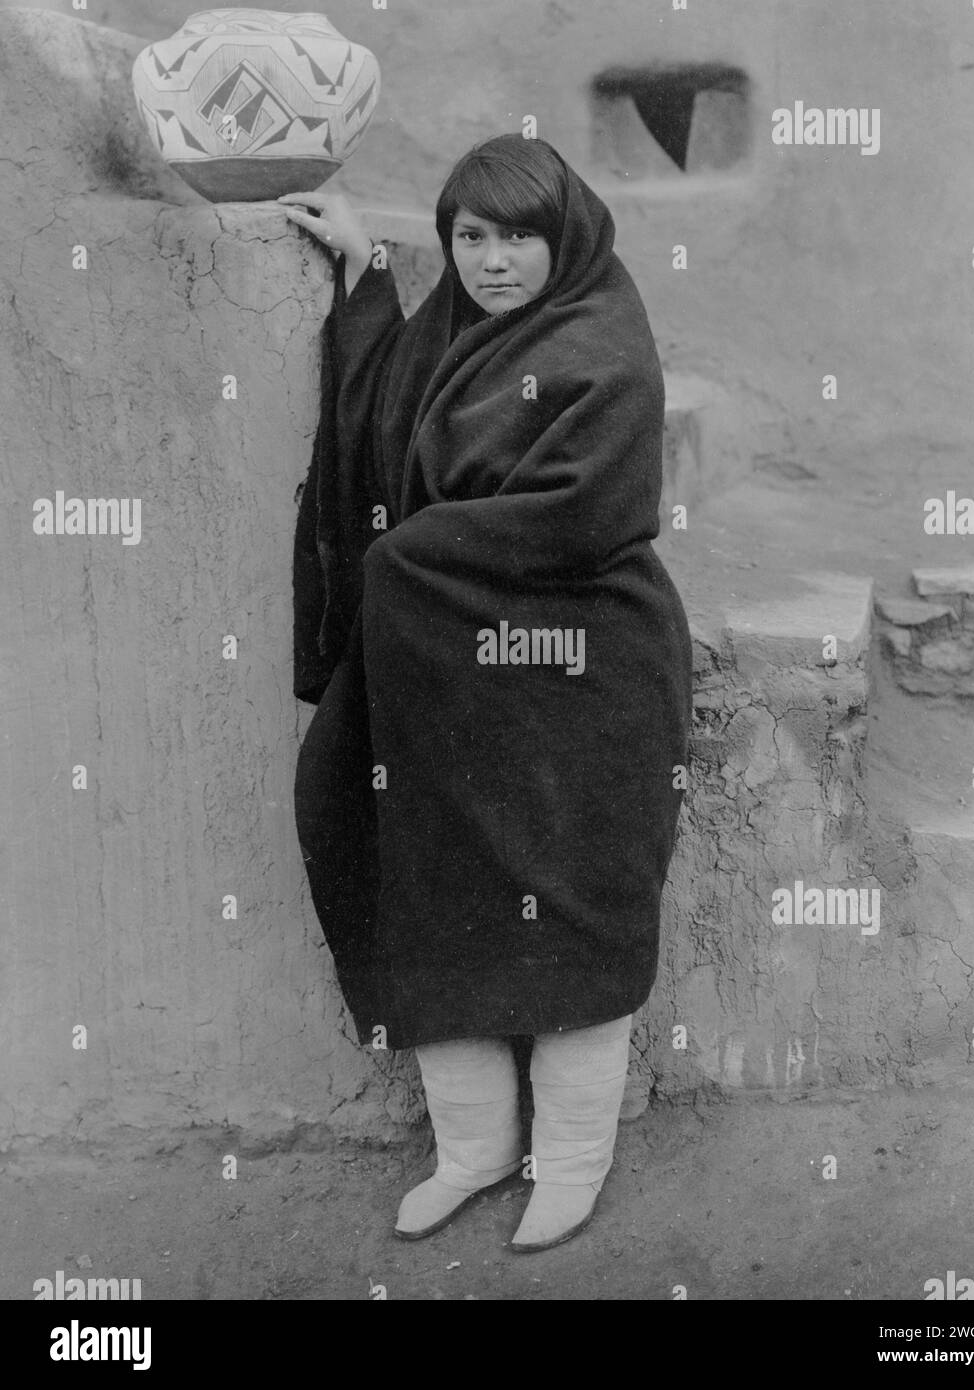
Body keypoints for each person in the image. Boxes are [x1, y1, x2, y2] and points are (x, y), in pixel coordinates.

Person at [281, 134, 691, 1253]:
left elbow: (583, 510)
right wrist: (368, 272)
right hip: (439, 683)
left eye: (519, 238)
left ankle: (569, 1161)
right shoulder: (453, 336)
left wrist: (412, 560)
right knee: (430, 893)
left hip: (581, 673)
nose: (494, 262)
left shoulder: (604, 342)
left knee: (575, 904)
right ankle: (469, 1152)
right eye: (471, 237)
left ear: (566, 243)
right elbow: (374, 416)